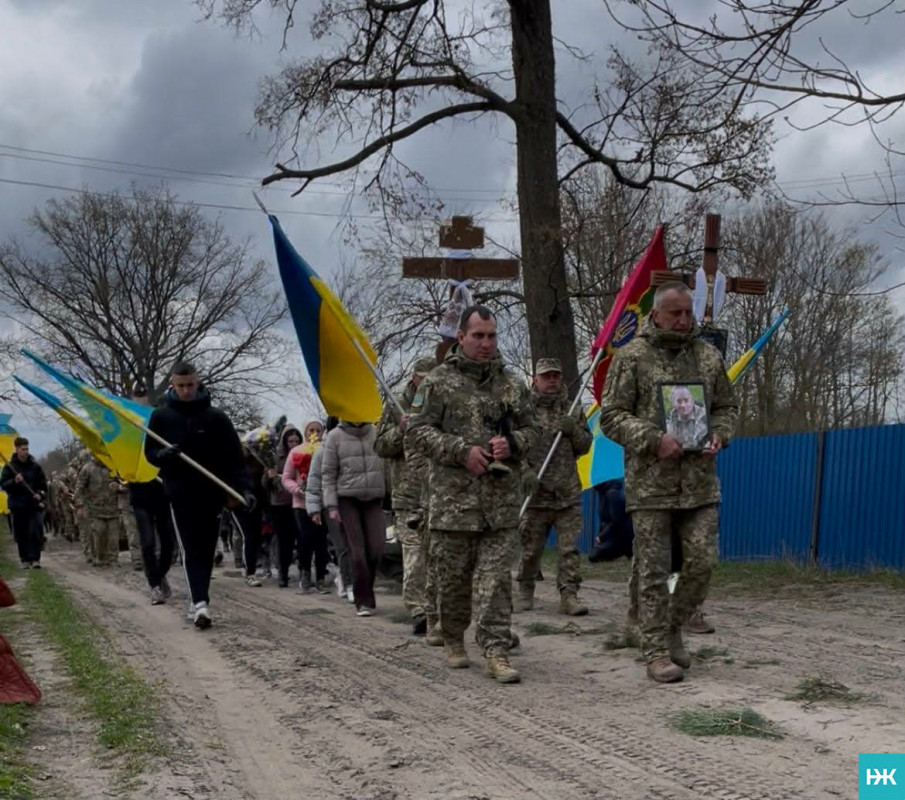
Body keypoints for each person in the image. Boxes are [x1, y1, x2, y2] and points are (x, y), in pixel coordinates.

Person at [599, 282, 738, 683]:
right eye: (674, 313)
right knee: (654, 571)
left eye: (687, 313)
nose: (682, 321)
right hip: (650, 486)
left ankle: (673, 625)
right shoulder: (632, 358)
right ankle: (656, 652)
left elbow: (726, 406)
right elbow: (611, 415)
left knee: (702, 563)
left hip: (699, 483)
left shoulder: (708, 357)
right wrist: (652, 439)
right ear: (655, 315)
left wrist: (720, 434)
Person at [406, 305, 539, 684]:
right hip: (453, 503)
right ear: (460, 337)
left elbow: (534, 431)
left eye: (492, 335)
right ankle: (453, 637)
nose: (486, 343)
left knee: (497, 580)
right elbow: (416, 431)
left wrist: (511, 444)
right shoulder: (437, 383)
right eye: (478, 336)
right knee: (453, 580)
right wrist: (461, 451)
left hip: (500, 503)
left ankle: (496, 649)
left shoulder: (512, 384)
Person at [145, 361, 251, 629]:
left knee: (206, 550)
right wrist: (162, 455)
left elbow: (235, 458)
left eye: (190, 385)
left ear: (198, 382)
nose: (185, 391)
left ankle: (199, 598)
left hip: (212, 492)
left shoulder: (216, 417)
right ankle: (201, 604)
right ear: (173, 384)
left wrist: (242, 488)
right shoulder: (161, 416)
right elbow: (149, 454)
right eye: (180, 386)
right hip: (179, 493)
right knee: (190, 549)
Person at [517, 357, 593, 616]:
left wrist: (573, 431)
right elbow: (514, 449)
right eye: (546, 376)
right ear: (535, 380)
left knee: (569, 550)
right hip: (536, 494)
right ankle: (525, 591)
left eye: (556, 376)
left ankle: (568, 595)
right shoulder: (523, 410)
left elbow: (584, 446)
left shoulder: (572, 409)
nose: (552, 380)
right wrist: (524, 473)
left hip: (566, 492)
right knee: (529, 549)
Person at [375, 356, 437, 635]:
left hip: (438, 492)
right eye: (423, 380)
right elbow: (380, 445)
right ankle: (417, 609)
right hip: (407, 493)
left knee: (436, 553)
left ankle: (438, 606)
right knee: (413, 553)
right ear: (414, 378)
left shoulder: (442, 403)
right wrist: (400, 432)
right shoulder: (395, 405)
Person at [321, 418, 385, 616]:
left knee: (376, 549)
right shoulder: (334, 437)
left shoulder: (376, 433)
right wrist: (331, 505)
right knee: (357, 553)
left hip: (373, 497)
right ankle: (363, 600)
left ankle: (366, 587)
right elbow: (328, 473)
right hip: (347, 499)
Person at [305, 417, 354, 602]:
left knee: (357, 546)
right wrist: (314, 509)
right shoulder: (321, 452)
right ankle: (349, 584)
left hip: (353, 503)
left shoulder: (355, 448)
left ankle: (345, 576)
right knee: (343, 546)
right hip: (330, 505)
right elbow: (314, 481)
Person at [282, 420, 329, 593]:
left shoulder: (326, 451)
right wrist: (298, 490)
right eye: (311, 430)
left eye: (318, 430)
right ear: (306, 432)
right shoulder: (296, 451)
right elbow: (286, 477)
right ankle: (305, 572)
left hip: (323, 502)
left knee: (321, 541)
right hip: (301, 504)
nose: (314, 433)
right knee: (305, 539)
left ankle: (321, 576)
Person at [0, 437, 48, 568]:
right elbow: (3, 485)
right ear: (17, 449)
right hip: (17, 505)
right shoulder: (10, 467)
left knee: (35, 532)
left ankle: (35, 559)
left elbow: (43, 485)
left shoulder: (35, 467)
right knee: (21, 534)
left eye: (27, 449)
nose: (25, 452)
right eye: (23, 449)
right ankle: (25, 559)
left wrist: (40, 494)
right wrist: (14, 481)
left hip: (33, 505)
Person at [265, 423, 302, 588]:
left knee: (301, 538)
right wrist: (269, 476)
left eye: (296, 441)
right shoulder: (275, 458)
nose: (293, 444)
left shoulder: (304, 454)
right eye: (290, 441)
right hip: (280, 503)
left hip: (300, 502)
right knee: (283, 540)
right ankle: (283, 572)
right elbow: (264, 483)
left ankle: (304, 571)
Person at [75, 454, 121, 567]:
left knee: (114, 536)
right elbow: (79, 488)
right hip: (95, 509)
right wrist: (80, 506)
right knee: (99, 533)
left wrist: (119, 486)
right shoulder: (87, 468)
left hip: (113, 508)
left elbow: (123, 481)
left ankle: (113, 559)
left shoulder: (113, 466)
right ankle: (99, 557)